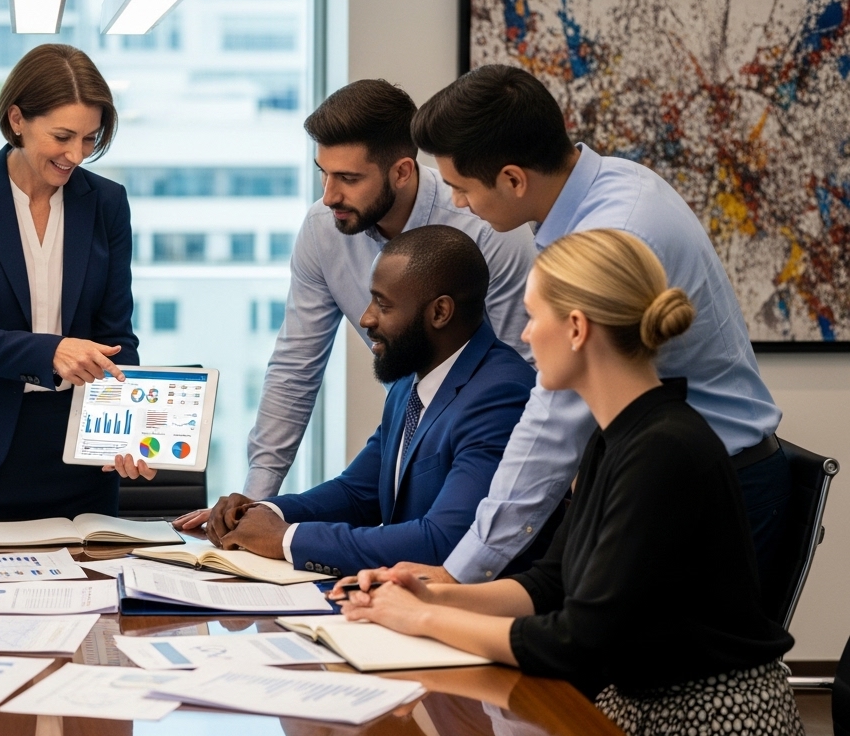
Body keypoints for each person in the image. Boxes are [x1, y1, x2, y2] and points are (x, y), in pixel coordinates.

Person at [331, 229, 802, 735]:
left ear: (576, 329)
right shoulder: (615, 437)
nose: (526, 337)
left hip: (706, 718)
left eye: (534, 318)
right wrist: (433, 595)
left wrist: (421, 619)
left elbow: (576, 641)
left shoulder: (663, 450)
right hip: (643, 700)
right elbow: (549, 584)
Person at [402, 64, 787, 590]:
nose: (457, 203)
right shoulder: (614, 184)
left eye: (460, 187)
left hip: (707, 491)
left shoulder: (613, 232)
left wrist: (457, 574)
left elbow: (553, 424)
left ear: (513, 179)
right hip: (663, 475)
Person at [160, 79, 535, 526]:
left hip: (487, 447)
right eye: (323, 172)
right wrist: (252, 505)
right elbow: (296, 366)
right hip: (406, 424)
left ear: (401, 171)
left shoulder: (488, 229)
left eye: (349, 179)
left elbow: (523, 372)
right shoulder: (324, 229)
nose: (329, 195)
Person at [199, 226, 534, 577]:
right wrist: (262, 512)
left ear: (439, 313)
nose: (365, 318)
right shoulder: (411, 380)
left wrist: (285, 538)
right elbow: (357, 493)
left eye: (382, 304)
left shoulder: (501, 394)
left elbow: (443, 541)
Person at [0, 44, 138, 520]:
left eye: (90, 138)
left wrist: (126, 430)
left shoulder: (107, 203)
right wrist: (52, 351)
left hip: (80, 451)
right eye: (62, 136)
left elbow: (117, 337)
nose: (76, 155)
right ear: (17, 119)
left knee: (91, 569)